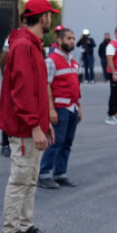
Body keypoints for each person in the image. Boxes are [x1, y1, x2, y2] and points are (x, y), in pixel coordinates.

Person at [0, 0, 60, 233]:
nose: (50, 19)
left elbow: (38, 90)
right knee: (20, 180)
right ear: (43, 17)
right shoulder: (24, 45)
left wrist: (44, 124)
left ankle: (25, 228)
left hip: (32, 126)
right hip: (24, 128)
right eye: (49, 15)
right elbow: (22, 92)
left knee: (30, 180)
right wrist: (35, 126)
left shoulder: (32, 44)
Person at [38, 27, 82, 189]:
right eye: (69, 38)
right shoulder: (51, 61)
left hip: (72, 107)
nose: (72, 41)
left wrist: (78, 106)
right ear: (59, 40)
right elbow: (46, 86)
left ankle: (60, 173)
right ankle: (43, 174)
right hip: (60, 108)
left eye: (73, 38)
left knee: (67, 143)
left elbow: (75, 86)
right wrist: (50, 109)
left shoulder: (73, 61)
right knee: (55, 142)